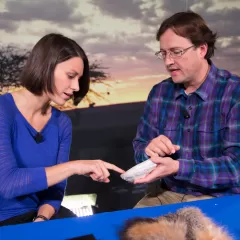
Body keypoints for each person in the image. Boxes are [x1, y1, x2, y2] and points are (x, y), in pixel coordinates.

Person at [0, 33, 124, 226]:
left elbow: (56, 191)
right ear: (46, 67)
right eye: (70, 76)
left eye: (79, 79)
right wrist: (74, 167)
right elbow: (7, 184)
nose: (75, 86)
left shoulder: (62, 123)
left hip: (38, 218)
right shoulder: (3, 110)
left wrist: (41, 219)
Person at [132, 11, 240, 208]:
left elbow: (236, 168)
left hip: (220, 199)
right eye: (163, 53)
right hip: (166, 194)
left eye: (176, 52)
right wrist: (149, 152)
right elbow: (139, 147)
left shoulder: (235, 93)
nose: (168, 61)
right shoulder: (159, 93)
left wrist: (178, 167)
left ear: (202, 49)